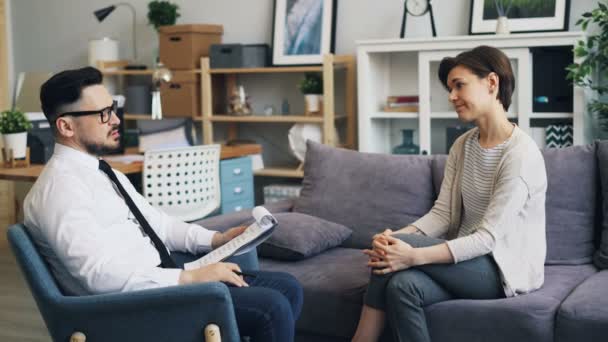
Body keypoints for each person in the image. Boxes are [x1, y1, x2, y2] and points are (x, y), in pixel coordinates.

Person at [24, 67, 303, 342]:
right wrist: (191, 278)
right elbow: (99, 277)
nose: (116, 121)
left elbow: (159, 224)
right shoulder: (60, 190)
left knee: (288, 286)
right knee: (271, 308)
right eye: (103, 114)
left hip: (161, 282)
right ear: (66, 126)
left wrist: (217, 240)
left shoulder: (101, 171)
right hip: (133, 308)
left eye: (112, 109)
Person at [351, 45, 547, 342]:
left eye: (459, 85)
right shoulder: (463, 145)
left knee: (399, 253)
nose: (451, 96)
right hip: (465, 262)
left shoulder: (521, 154)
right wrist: (393, 239)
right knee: (402, 286)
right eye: (450, 88)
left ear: (492, 83)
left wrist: (411, 254)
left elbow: (488, 239)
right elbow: (442, 214)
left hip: (503, 269)